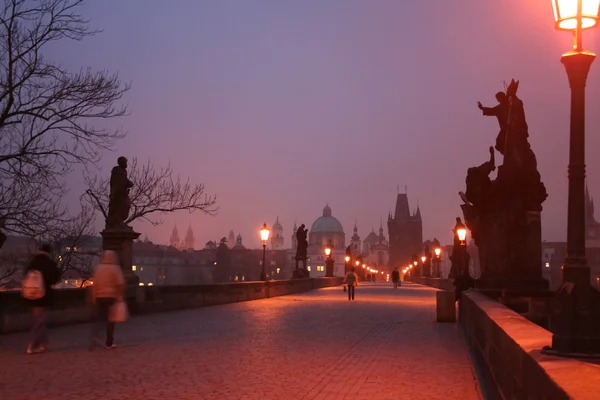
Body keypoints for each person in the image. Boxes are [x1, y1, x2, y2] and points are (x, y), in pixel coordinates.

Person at [24, 244, 60, 354]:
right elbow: (55, 278)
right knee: (40, 321)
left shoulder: (32, 262)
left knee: (38, 320)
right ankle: (32, 344)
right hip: (44, 296)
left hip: (31, 295)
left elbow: (25, 276)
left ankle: (43, 344)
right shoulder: (49, 263)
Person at [89, 250, 126, 350]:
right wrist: (120, 296)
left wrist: (93, 296)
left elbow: (94, 284)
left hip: (99, 296)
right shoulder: (115, 268)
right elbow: (120, 284)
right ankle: (109, 343)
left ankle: (95, 336)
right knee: (111, 320)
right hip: (111, 296)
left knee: (100, 318)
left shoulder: (98, 268)